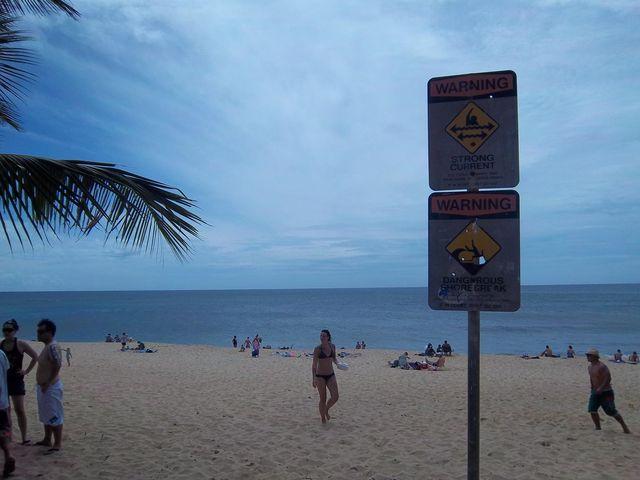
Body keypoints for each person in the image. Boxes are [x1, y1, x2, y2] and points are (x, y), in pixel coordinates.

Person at [1, 319, 38, 445]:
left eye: (9, 330)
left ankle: (24, 438)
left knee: (19, 410)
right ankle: (9, 437)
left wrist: (26, 371)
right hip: (3, 382)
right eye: (4, 329)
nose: (6, 332)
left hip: (16, 380)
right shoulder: (1, 345)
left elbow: (35, 356)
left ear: (15, 331)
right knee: (6, 411)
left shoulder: (20, 344)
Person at [35, 319, 65, 453]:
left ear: (50, 332)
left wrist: (48, 382)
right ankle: (47, 439)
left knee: (54, 414)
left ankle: (57, 443)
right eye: (38, 331)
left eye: (41, 331)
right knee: (46, 413)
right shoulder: (47, 346)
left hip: (51, 387)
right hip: (43, 387)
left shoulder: (52, 346)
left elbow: (57, 364)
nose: (38, 334)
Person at [586, 348, 630, 434]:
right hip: (595, 392)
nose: (587, 357)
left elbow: (608, 378)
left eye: (589, 355)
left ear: (595, 357)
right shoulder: (590, 367)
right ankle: (598, 427)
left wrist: (601, 388)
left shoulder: (602, 366)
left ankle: (624, 426)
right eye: (587, 355)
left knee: (610, 411)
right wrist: (592, 387)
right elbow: (592, 378)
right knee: (592, 409)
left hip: (606, 392)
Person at [312, 330, 339, 423]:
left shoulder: (332, 346)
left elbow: (334, 358)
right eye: (321, 336)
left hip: (331, 375)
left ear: (328, 337)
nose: (322, 338)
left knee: (335, 396)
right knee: (323, 399)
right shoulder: (317, 349)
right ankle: (323, 418)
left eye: (324, 336)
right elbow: (314, 365)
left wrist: (339, 364)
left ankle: (326, 409)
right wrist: (314, 378)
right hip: (320, 376)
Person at [0, 349, 15, 477]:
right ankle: (8, 455)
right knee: (3, 430)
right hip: (2, 401)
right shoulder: (1, 354)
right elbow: (6, 372)